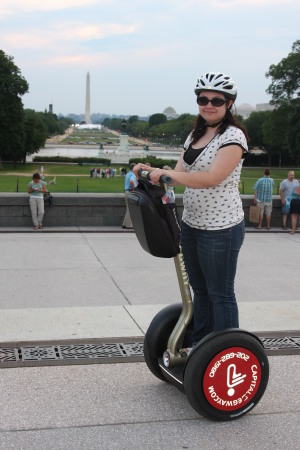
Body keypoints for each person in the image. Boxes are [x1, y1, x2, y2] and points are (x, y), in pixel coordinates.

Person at [134, 71, 248, 344]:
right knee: (200, 290)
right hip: (192, 224)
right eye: (203, 98)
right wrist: (151, 170)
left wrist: (167, 175)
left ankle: (226, 352)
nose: (209, 104)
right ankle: (200, 346)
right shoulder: (195, 134)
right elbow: (178, 172)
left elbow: (212, 178)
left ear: (229, 104)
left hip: (221, 227)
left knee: (220, 292)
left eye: (217, 100)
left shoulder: (233, 136)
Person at [122, 162, 137, 229]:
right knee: (130, 209)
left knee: (128, 208)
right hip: (130, 191)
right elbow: (131, 181)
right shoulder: (133, 174)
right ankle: (128, 225)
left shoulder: (128, 173)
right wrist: (134, 189)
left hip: (126, 191)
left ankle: (124, 223)